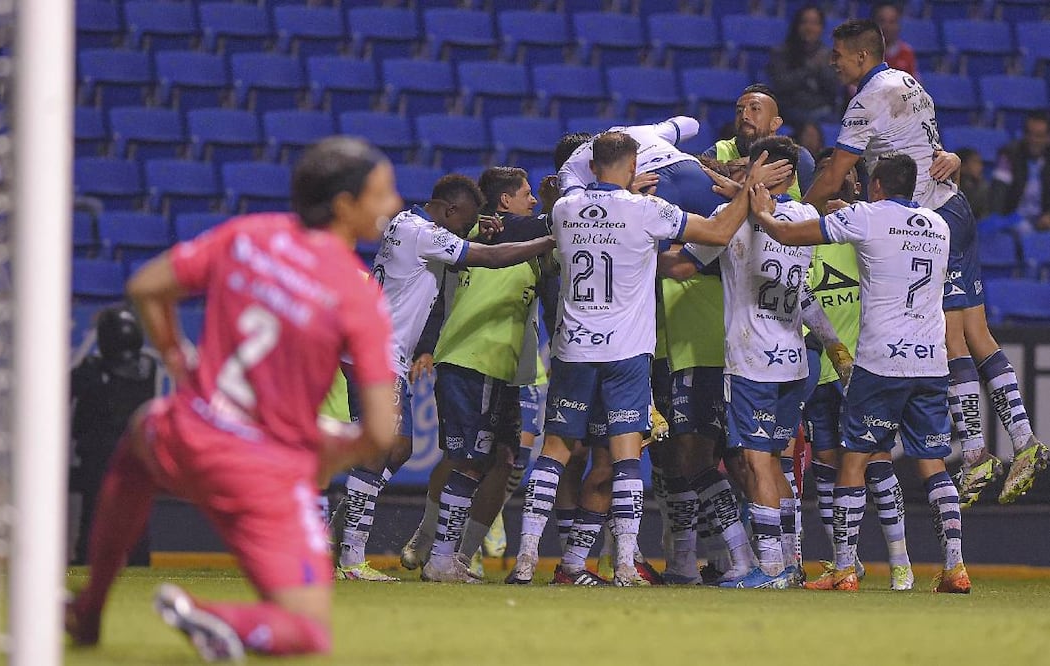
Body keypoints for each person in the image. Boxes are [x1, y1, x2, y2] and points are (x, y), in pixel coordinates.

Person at [66, 136, 405, 660]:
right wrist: (332, 451)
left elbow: (146, 286)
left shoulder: (248, 235)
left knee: (138, 437)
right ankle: (212, 616)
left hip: (186, 432)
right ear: (344, 205)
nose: (395, 203)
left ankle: (89, 607)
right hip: (262, 473)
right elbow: (381, 432)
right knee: (306, 630)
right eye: (382, 193)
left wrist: (177, 359)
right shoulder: (357, 290)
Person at [505, 131, 791, 586]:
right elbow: (718, 232)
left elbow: (570, 205)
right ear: (635, 167)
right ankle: (624, 565)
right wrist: (748, 187)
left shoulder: (564, 210)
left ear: (592, 166)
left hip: (574, 348)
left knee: (555, 452)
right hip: (626, 352)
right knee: (625, 458)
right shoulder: (647, 211)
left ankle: (525, 560)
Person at [803, 19, 1047, 507]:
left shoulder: (866, 101)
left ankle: (978, 452)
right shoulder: (909, 82)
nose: (832, 61)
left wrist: (799, 213)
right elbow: (929, 149)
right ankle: (1022, 439)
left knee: (952, 340)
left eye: (837, 53)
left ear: (860, 56)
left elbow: (834, 174)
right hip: (954, 207)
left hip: (930, 222)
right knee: (976, 334)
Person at [750, 152, 971, 593]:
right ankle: (955, 567)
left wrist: (763, 216)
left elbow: (791, 234)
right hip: (930, 360)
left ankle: (844, 569)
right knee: (932, 462)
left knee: (853, 461)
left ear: (877, 186)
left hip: (881, 361)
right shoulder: (938, 226)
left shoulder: (867, 217)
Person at [329, 174, 556, 581]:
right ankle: (350, 558)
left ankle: (335, 535)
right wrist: (549, 241)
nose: (463, 229)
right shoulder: (425, 235)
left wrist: (478, 225)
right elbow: (490, 258)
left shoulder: (404, 222)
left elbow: (462, 235)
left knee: (400, 449)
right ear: (450, 211)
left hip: (377, 351)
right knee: (381, 449)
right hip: (378, 353)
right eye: (463, 221)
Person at [678, 136, 850, 589]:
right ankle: (790, 561)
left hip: (751, 360)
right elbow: (804, 293)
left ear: (764, 169)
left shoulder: (732, 219)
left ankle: (771, 568)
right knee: (774, 462)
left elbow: (684, 265)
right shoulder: (806, 217)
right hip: (793, 360)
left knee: (755, 462)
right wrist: (835, 347)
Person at [396, 166, 556, 583]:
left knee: (503, 459)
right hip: (473, 359)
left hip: (509, 369)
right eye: (526, 194)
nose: (532, 200)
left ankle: (458, 556)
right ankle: (433, 546)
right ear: (504, 202)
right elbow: (438, 296)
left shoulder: (529, 243)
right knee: (465, 459)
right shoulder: (475, 235)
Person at [802, 148, 914, 591]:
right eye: (829, 175)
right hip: (822, 368)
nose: (840, 182)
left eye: (847, 175)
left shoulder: (871, 230)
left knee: (877, 462)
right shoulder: (807, 236)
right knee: (827, 467)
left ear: (861, 184)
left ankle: (901, 562)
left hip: (866, 367)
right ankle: (844, 560)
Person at [69, 306, 157, 566]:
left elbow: (66, 388)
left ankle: (86, 561)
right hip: (136, 452)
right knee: (134, 516)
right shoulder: (147, 367)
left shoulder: (93, 371)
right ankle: (138, 564)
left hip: (101, 453)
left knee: (95, 515)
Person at [766, 5, 840, 125]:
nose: (809, 28)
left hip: (821, 110)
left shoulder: (828, 55)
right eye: (804, 22)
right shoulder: (781, 52)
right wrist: (810, 68)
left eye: (814, 23)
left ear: (821, 28)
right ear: (797, 26)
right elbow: (781, 85)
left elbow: (834, 90)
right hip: (791, 109)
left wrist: (823, 69)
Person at [990, 111, 1050, 232]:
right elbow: (998, 194)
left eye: (1039, 136)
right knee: (1024, 229)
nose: (1033, 140)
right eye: (1029, 134)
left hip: (1042, 221)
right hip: (1014, 219)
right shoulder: (1008, 155)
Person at [873, 1, 920, 79]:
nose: (887, 27)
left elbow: (914, 83)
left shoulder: (906, 53)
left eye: (892, 22)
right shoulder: (865, 53)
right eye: (882, 21)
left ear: (898, 25)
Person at [957, 148, 990, 221]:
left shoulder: (983, 188)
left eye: (980, 163)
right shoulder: (950, 188)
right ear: (962, 166)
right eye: (975, 162)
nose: (980, 167)